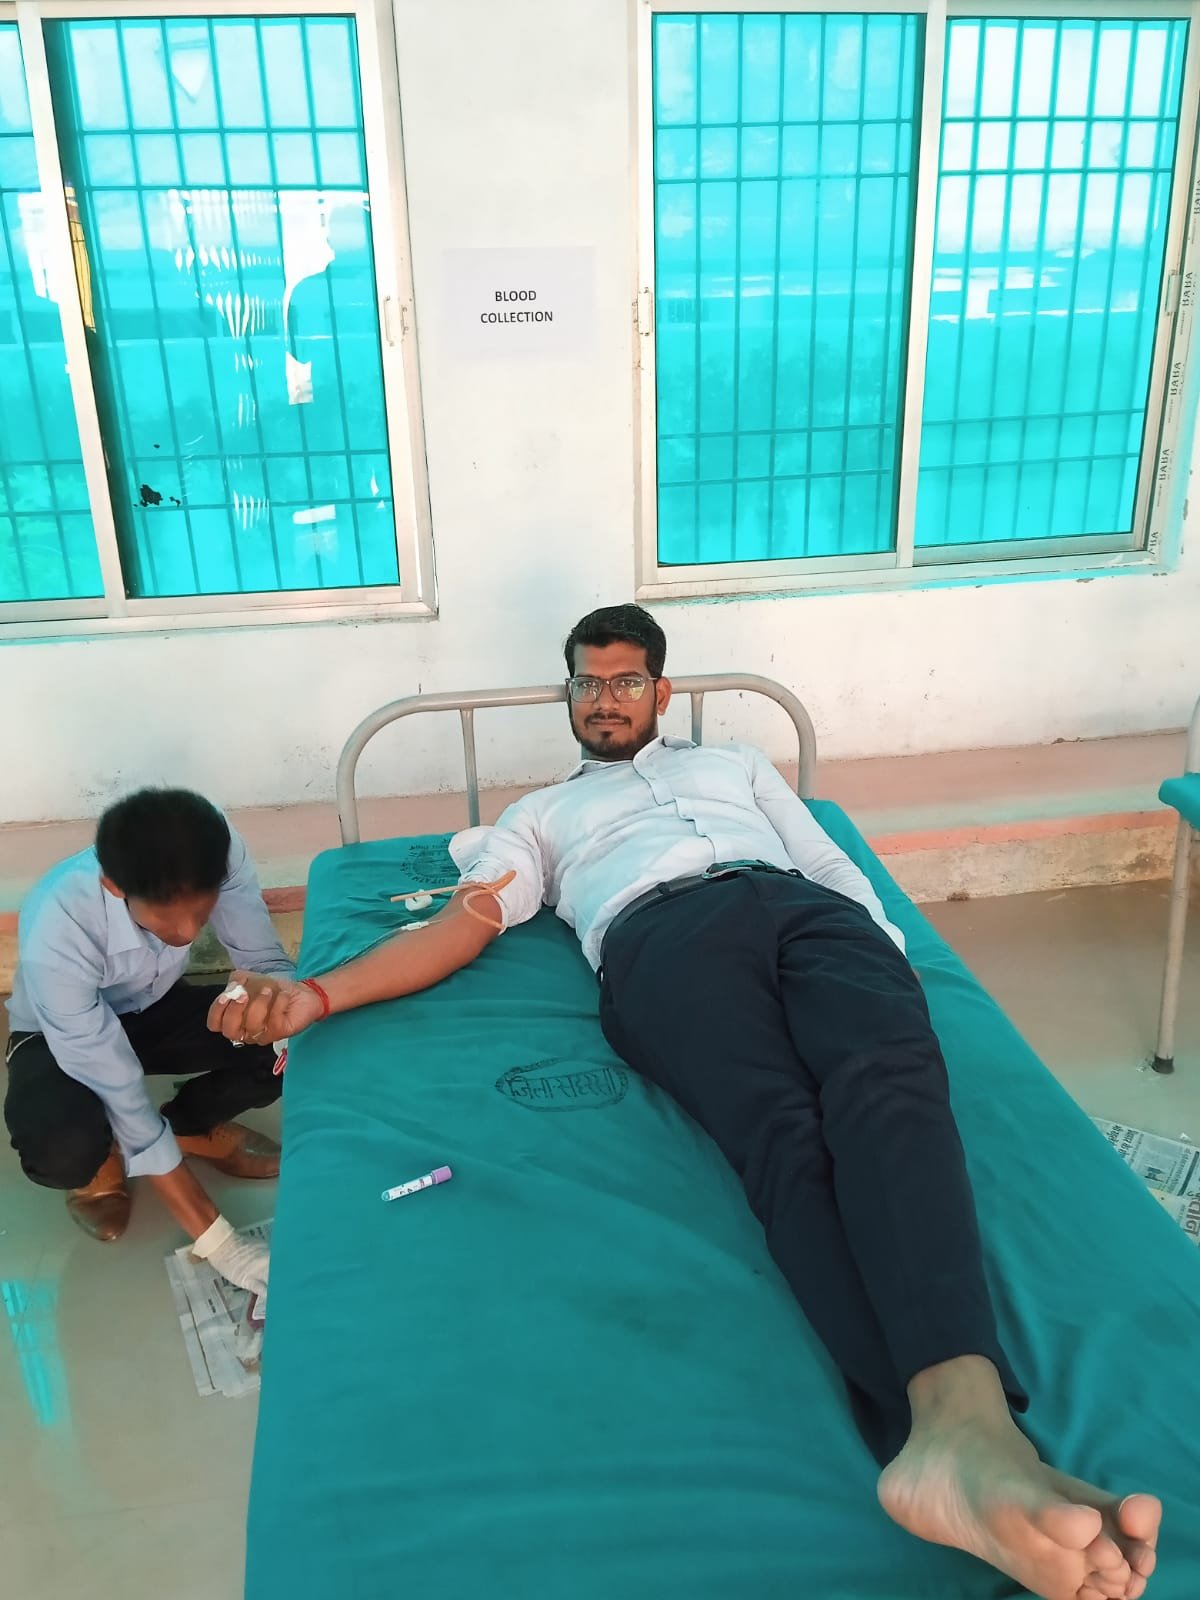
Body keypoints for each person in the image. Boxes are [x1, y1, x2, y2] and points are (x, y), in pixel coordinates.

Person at [211, 605, 1160, 1600]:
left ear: (661, 691)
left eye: (626, 681)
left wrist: (883, 951)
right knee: (783, 1134)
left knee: (894, 1093)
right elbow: (465, 923)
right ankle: (951, 1437)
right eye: (588, 682)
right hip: (663, 939)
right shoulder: (537, 817)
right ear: (569, 696)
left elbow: (826, 860)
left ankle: (966, 1440)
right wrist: (315, 996)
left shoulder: (739, 765)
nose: (605, 699)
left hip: (808, 915)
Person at [5, 788, 290, 1297]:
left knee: (282, 1041)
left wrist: (274, 1005)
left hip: (152, 1005)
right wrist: (221, 1244)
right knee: (64, 1145)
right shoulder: (58, 920)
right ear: (115, 886)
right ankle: (99, 1159)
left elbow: (264, 962)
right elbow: (113, 1079)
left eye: (201, 912)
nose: (186, 933)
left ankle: (186, 1128)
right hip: (55, 1036)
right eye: (164, 918)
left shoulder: (217, 851)